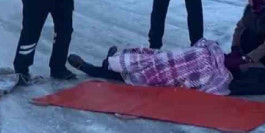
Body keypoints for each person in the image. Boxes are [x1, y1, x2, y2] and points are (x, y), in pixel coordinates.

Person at [67, 39, 233, 95]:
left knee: (145, 74)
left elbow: (209, 84)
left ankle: (95, 68)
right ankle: (114, 61)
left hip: (196, 69)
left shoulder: (220, 74)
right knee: (153, 58)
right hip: (198, 56)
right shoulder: (208, 51)